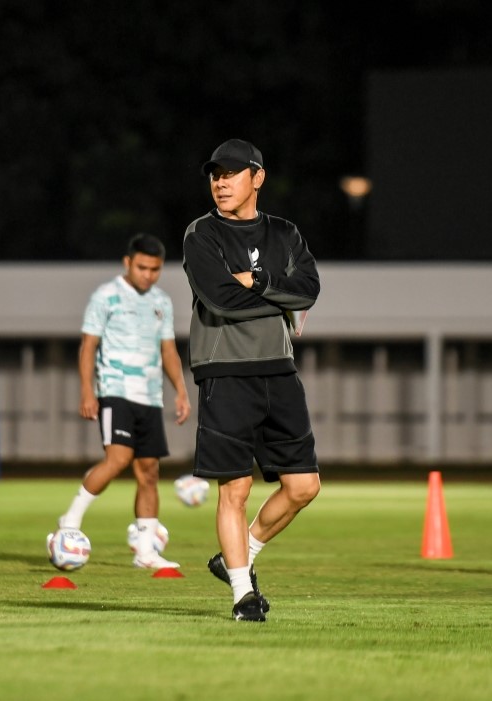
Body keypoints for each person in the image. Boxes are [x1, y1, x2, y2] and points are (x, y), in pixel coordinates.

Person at [182, 139, 321, 621]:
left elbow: (309, 290)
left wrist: (257, 282)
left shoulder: (285, 232)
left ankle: (238, 558)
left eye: (232, 173)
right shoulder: (201, 234)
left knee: (304, 486)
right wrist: (279, 295)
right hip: (225, 372)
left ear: (257, 177)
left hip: (279, 369)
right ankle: (243, 596)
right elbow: (220, 300)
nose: (220, 181)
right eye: (215, 174)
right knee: (234, 491)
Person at [56, 234, 191, 569]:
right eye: (142, 267)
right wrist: (88, 391)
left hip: (150, 397)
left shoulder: (162, 301)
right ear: (127, 263)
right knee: (117, 460)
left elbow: (168, 350)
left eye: (155, 269)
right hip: (115, 390)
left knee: (149, 472)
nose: (148, 274)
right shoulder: (106, 296)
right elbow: (88, 347)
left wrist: (181, 391)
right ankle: (70, 520)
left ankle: (146, 552)